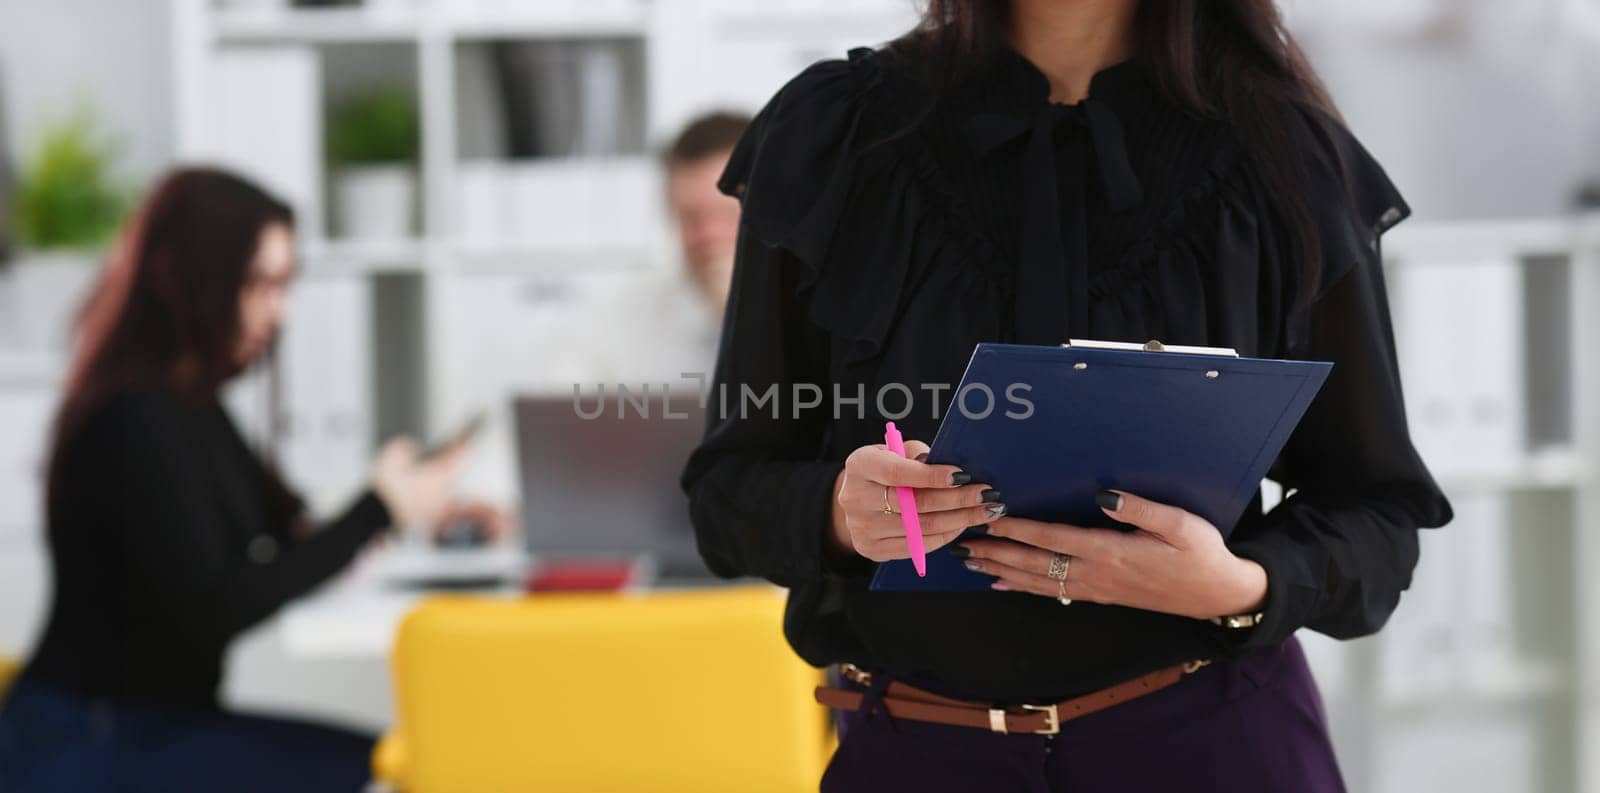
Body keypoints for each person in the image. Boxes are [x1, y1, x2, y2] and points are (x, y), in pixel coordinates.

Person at [680, 1, 1453, 791]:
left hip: (1214, 745)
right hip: (921, 754)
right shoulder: (833, 135)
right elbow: (725, 494)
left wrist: (1241, 587)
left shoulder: (1284, 151)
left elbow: (1380, 518)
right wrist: (840, 515)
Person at [0, 168, 466, 792]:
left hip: (150, 729)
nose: (280, 311)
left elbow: (285, 531)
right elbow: (216, 604)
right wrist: (377, 510)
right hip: (93, 747)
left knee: (400, 765)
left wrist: (411, 512)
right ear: (195, 282)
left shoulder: (190, 402)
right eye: (262, 285)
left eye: (285, 286)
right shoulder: (134, 419)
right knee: (390, 776)